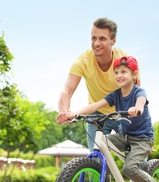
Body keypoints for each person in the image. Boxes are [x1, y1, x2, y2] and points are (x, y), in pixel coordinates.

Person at [58, 55, 159, 182]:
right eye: (116, 72)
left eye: (123, 71)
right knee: (100, 146)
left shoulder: (139, 92)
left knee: (129, 169)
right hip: (126, 137)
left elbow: (141, 102)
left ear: (134, 75)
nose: (119, 75)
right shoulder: (116, 95)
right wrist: (74, 113)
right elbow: (96, 105)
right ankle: (104, 178)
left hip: (142, 139)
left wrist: (136, 109)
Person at [56, 17, 140, 152]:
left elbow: (137, 91)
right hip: (97, 113)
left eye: (102, 39)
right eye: (93, 38)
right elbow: (67, 91)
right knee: (95, 159)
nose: (96, 43)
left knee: (136, 161)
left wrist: (140, 125)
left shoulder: (124, 61)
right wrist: (65, 113)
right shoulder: (83, 61)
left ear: (113, 41)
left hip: (123, 111)